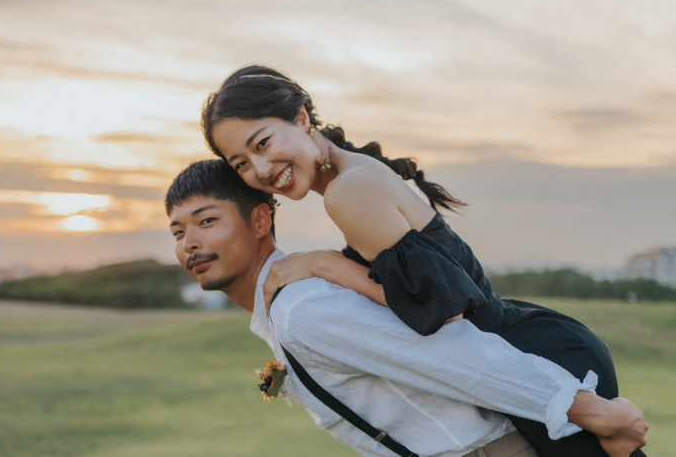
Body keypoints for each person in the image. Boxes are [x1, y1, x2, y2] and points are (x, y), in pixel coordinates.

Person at [200, 65, 648, 457]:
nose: (259, 169)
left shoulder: (347, 192)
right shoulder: (350, 178)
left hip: (538, 361)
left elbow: (438, 311)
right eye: (240, 164)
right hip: (530, 354)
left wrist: (324, 265)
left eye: (262, 143)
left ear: (300, 118)